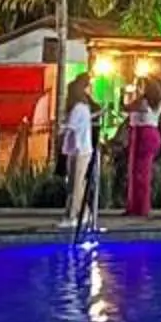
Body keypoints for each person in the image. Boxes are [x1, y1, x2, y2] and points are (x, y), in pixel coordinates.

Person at [60, 75, 97, 231]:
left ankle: (73, 215)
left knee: (75, 184)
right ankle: (85, 212)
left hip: (80, 150)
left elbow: (71, 126)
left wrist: (60, 127)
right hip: (78, 149)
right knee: (77, 183)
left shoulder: (78, 108)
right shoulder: (82, 107)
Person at [124, 81, 161, 218]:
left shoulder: (144, 102)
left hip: (143, 134)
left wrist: (128, 94)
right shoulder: (157, 103)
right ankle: (136, 206)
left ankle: (140, 207)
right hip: (149, 133)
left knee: (139, 173)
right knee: (140, 172)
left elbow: (127, 107)